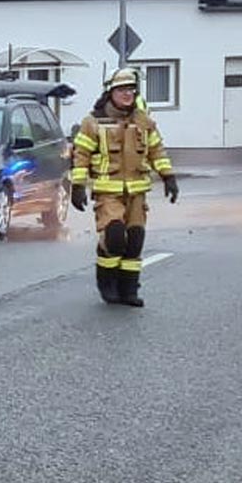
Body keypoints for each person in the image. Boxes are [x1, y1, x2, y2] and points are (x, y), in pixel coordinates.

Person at [70, 67, 179, 306]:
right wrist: (77, 186)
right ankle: (107, 283)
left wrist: (168, 176)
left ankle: (129, 289)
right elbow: (81, 155)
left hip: (137, 192)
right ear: (111, 92)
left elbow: (156, 151)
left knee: (136, 239)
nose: (127, 94)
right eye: (122, 90)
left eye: (131, 89)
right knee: (115, 235)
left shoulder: (144, 122)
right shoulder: (93, 122)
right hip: (108, 192)